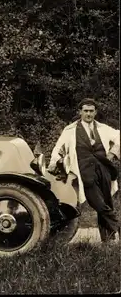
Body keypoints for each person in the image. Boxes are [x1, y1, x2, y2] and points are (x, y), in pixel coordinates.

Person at [48, 98, 120, 242]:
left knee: (106, 203)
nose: (88, 114)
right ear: (80, 112)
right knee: (99, 204)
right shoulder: (70, 131)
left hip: (104, 170)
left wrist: (112, 153)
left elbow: (119, 136)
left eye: (91, 111)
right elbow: (59, 148)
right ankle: (118, 227)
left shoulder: (103, 128)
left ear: (95, 112)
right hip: (85, 173)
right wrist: (53, 163)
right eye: (85, 111)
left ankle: (108, 240)